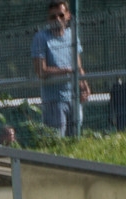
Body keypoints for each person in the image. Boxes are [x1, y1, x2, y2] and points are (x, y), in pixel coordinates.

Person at [31, 1, 89, 136]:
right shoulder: (41, 38)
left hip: (74, 98)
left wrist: (85, 86)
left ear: (68, 16)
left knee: (76, 139)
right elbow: (41, 71)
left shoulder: (72, 36)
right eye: (53, 17)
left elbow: (78, 66)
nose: (57, 19)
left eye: (61, 15)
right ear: (48, 19)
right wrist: (67, 71)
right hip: (54, 101)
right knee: (57, 140)